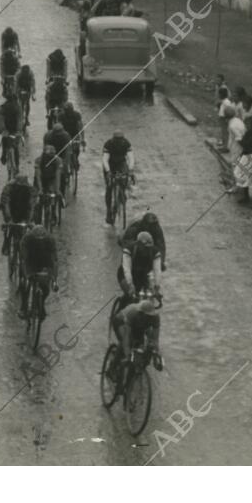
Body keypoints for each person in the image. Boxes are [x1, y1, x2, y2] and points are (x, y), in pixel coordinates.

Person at [112, 231, 163, 368]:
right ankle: (122, 311)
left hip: (142, 277)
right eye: (144, 249)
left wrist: (157, 288)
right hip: (125, 275)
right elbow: (127, 269)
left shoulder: (154, 252)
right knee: (130, 296)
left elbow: (157, 271)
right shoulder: (130, 249)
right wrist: (130, 286)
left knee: (147, 301)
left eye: (148, 249)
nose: (146, 252)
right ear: (138, 245)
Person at [18, 224, 58, 319]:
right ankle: (23, 307)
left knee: (45, 289)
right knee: (25, 284)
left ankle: (41, 304)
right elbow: (24, 258)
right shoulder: (27, 239)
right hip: (31, 260)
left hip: (44, 262)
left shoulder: (50, 240)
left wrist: (54, 279)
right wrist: (27, 273)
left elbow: (54, 260)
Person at [102, 131, 135, 224]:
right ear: (113, 139)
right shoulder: (108, 144)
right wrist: (108, 172)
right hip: (110, 164)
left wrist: (131, 170)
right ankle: (108, 211)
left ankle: (122, 191)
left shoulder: (126, 143)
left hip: (121, 163)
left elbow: (131, 157)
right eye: (117, 140)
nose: (119, 142)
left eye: (121, 140)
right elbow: (105, 159)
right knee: (109, 187)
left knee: (125, 177)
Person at [0, 173, 35, 256]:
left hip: (23, 208)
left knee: (24, 230)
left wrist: (29, 220)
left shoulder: (30, 189)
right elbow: (6, 204)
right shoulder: (8, 188)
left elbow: (32, 206)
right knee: (9, 227)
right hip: (11, 208)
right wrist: (9, 219)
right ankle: (6, 241)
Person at [33, 145, 63, 222]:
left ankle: (53, 211)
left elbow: (57, 176)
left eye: (52, 155)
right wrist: (40, 189)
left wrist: (57, 189)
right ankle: (36, 218)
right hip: (41, 180)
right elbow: (38, 175)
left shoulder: (58, 160)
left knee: (53, 194)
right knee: (37, 200)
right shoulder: (38, 160)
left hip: (52, 180)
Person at [0, 93, 23, 166]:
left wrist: (3, 129)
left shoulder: (3, 107)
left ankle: (4, 154)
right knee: (16, 147)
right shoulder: (17, 107)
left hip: (6, 129)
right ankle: (17, 165)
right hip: (15, 130)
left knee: (4, 141)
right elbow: (20, 119)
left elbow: (0, 119)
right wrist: (19, 130)